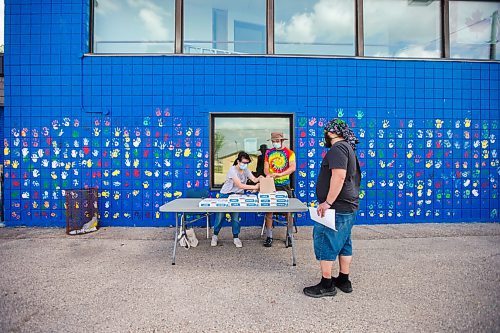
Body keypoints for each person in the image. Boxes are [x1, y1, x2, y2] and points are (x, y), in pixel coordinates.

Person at [303, 118, 361, 298]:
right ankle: (344, 280)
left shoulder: (337, 148)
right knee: (344, 242)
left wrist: (327, 202)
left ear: (330, 133)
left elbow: (339, 176)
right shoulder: (348, 148)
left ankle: (326, 284)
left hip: (337, 206)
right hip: (347, 205)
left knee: (325, 240)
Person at [211, 151, 261, 248]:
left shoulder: (246, 170)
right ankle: (215, 235)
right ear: (238, 161)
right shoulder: (232, 170)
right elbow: (240, 185)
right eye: (243, 163)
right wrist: (255, 187)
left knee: (235, 217)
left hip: (238, 196)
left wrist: (262, 178)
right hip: (225, 195)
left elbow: (254, 179)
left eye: (247, 163)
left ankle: (236, 237)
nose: (245, 165)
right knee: (220, 216)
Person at [263, 132, 296, 247]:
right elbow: (266, 168)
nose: (275, 143)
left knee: (288, 211)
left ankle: (289, 235)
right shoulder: (268, 152)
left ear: (282, 141)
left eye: (277, 141)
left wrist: (280, 174)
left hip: (284, 185)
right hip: (271, 185)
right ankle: (269, 236)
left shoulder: (290, 153)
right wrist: (268, 175)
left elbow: (293, 168)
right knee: (269, 211)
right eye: (273, 141)